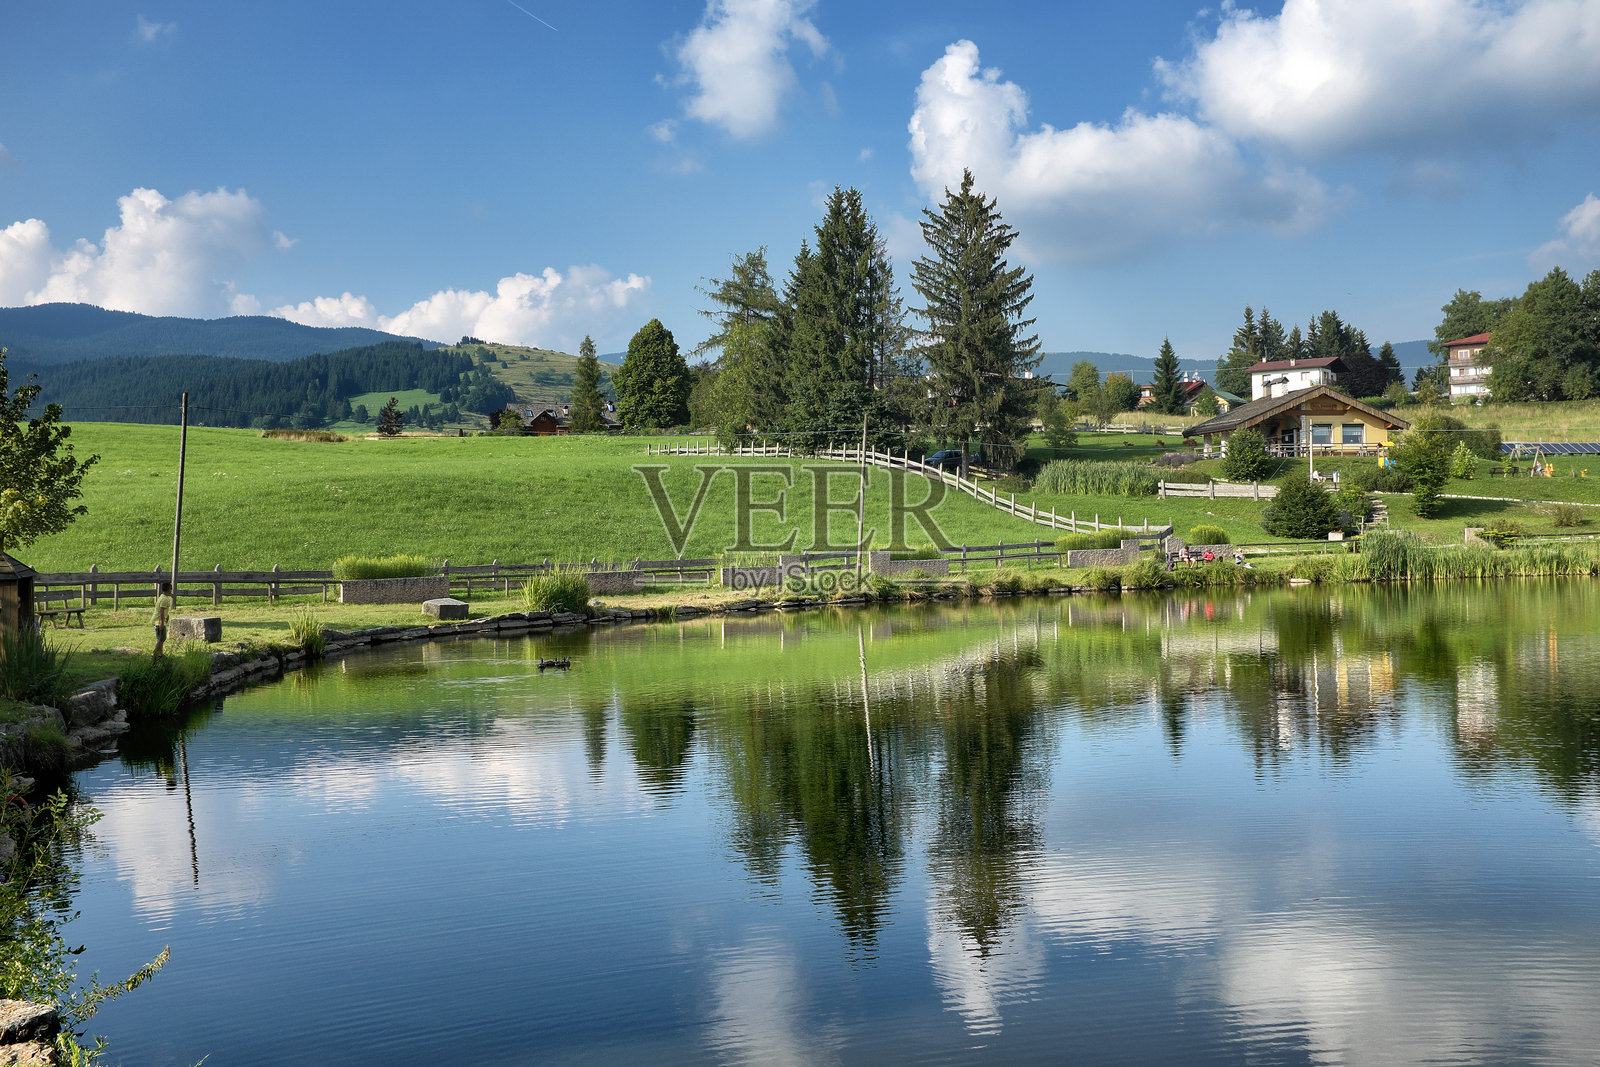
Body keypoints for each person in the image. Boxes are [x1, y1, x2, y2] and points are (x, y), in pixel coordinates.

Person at [152, 581, 173, 658]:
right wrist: (161, 623)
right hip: (158, 620)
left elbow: (164, 610)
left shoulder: (163, 597)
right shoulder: (164, 599)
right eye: (171, 589)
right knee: (161, 638)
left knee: (161, 638)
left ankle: (160, 655)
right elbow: (161, 611)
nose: (171, 590)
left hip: (157, 619)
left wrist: (167, 616)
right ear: (168, 589)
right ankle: (154, 654)